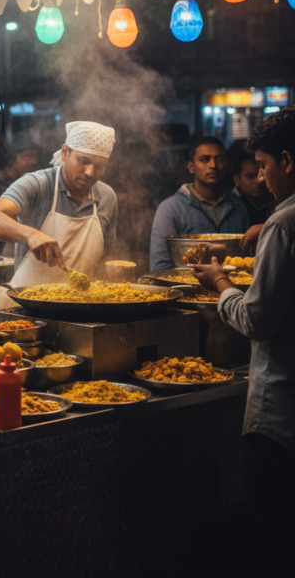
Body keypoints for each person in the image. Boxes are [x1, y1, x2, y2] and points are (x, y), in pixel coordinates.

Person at [191, 108, 295, 576]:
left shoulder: (284, 225)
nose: (261, 177)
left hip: (280, 416)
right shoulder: (277, 223)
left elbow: (257, 318)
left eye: (264, 166)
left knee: (274, 540)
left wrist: (219, 282)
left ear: (287, 161)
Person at [0, 121, 118, 286]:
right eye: (83, 161)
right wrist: (31, 235)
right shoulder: (37, 184)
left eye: (99, 166)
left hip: (85, 303)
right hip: (29, 301)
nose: (89, 172)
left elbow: (108, 256)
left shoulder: (107, 197)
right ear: (65, 153)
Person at [149, 136, 249, 272]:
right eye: (204, 159)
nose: (213, 165)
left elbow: (247, 258)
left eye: (219, 159)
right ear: (191, 167)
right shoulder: (170, 209)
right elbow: (160, 267)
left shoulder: (238, 207)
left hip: (231, 290)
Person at [227, 138, 276, 253]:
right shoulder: (230, 207)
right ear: (236, 180)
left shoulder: (274, 200)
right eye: (249, 176)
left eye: (261, 172)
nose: (258, 180)